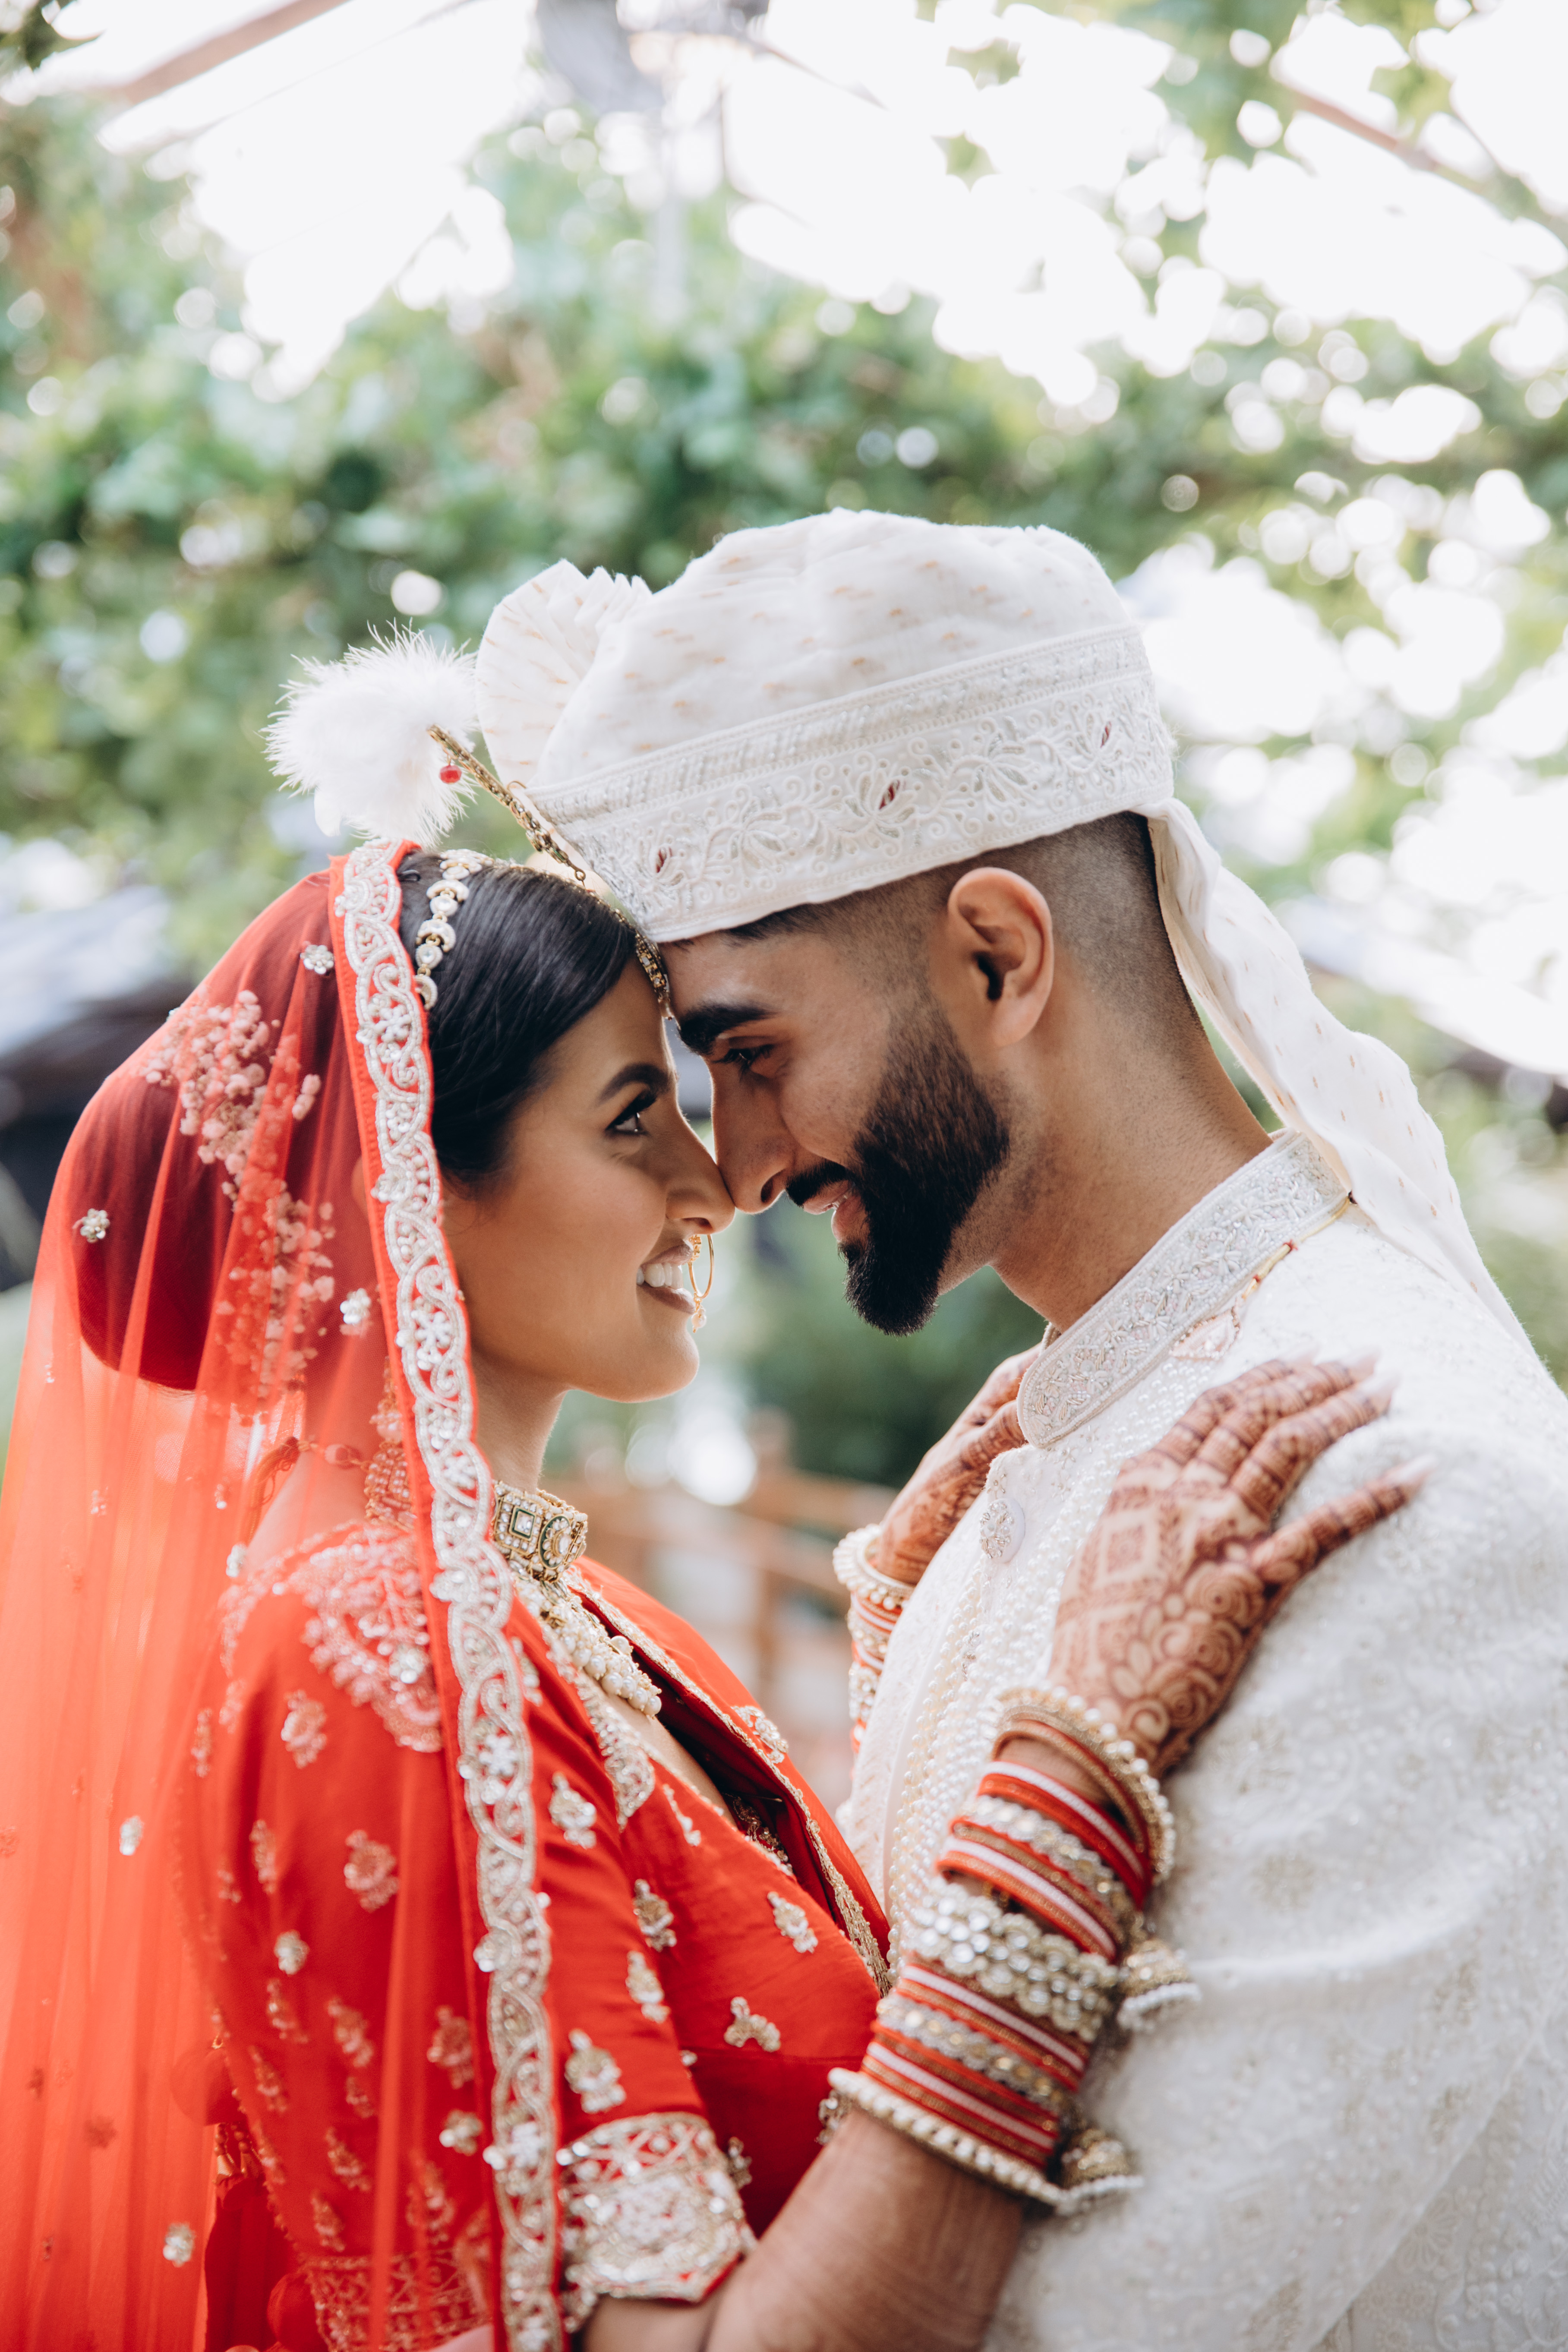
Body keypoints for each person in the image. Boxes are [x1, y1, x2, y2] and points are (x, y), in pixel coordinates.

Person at [0, 731, 1416, 2349]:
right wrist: (1067, 1787)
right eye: (631, 1120)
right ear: (398, 1189)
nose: (721, 1181)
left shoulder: (544, 1605)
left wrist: (916, 1617)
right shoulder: (377, 1639)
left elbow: (735, 2003)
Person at [472, 511, 1568, 2352]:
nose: (741, 1167)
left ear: (995, 953)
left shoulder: (1394, 1480)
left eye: (752, 1053)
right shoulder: (1062, 1448)